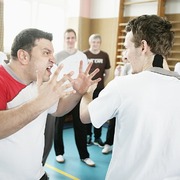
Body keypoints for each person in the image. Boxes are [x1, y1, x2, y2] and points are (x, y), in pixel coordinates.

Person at [80, 15, 180, 179]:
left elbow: (85, 116)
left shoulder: (123, 85)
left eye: (126, 48)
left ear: (143, 47)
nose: (125, 56)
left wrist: (86, 92)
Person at [0, 28, 101, 180]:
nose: (53, 59)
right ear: (23, 56)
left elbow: (58, 109)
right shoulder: (2, 80)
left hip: (37, 174)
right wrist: (39, 103)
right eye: (46, 53)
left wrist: (79, 92)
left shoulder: (39, 81)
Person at [53, 28, 95, 167]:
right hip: (62, 94)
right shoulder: (57, 56)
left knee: (80, 125)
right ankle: (59, 153)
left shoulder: (82, 56)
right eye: (67, 38)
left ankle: (84, 155)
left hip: (77, 94)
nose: (70, 40)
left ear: (75, 39)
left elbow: (84, 74)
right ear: (64, 39)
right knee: (58, 126)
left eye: (72, 38)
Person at [84, 34, 111, 147]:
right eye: (93, 42)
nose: (95, 44)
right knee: (87, 112)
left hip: (99, 89)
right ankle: (87, 136)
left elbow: (108, 71)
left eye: (97, 42)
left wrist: (101, 82)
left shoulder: (104, 55)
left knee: (98, 113)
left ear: (100, 43)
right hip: (87, 89)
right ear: (90, 42)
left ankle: (97, 137)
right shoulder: (84, 54)